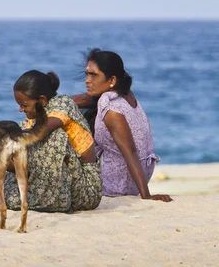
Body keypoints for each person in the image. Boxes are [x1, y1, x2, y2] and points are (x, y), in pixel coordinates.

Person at [73, 49, 172, 201]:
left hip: (116, 185)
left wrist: (146, 195)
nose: (87, 80)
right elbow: (85, 99)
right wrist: (55, 102)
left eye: (93, 75)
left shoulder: (110, 107)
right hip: (130, 181)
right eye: (87, 74)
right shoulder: (126, 95)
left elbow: (130, 150)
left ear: (112, 80)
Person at [4, 70, 102, 212]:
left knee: (55, 136)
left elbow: (41, 131)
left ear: (42, 100)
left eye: (24, 105)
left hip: (86, 189)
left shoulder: (63, 104)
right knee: (21, 130)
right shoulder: (40, 112)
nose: (20, 109)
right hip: (64, 182)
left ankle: (56, 200)